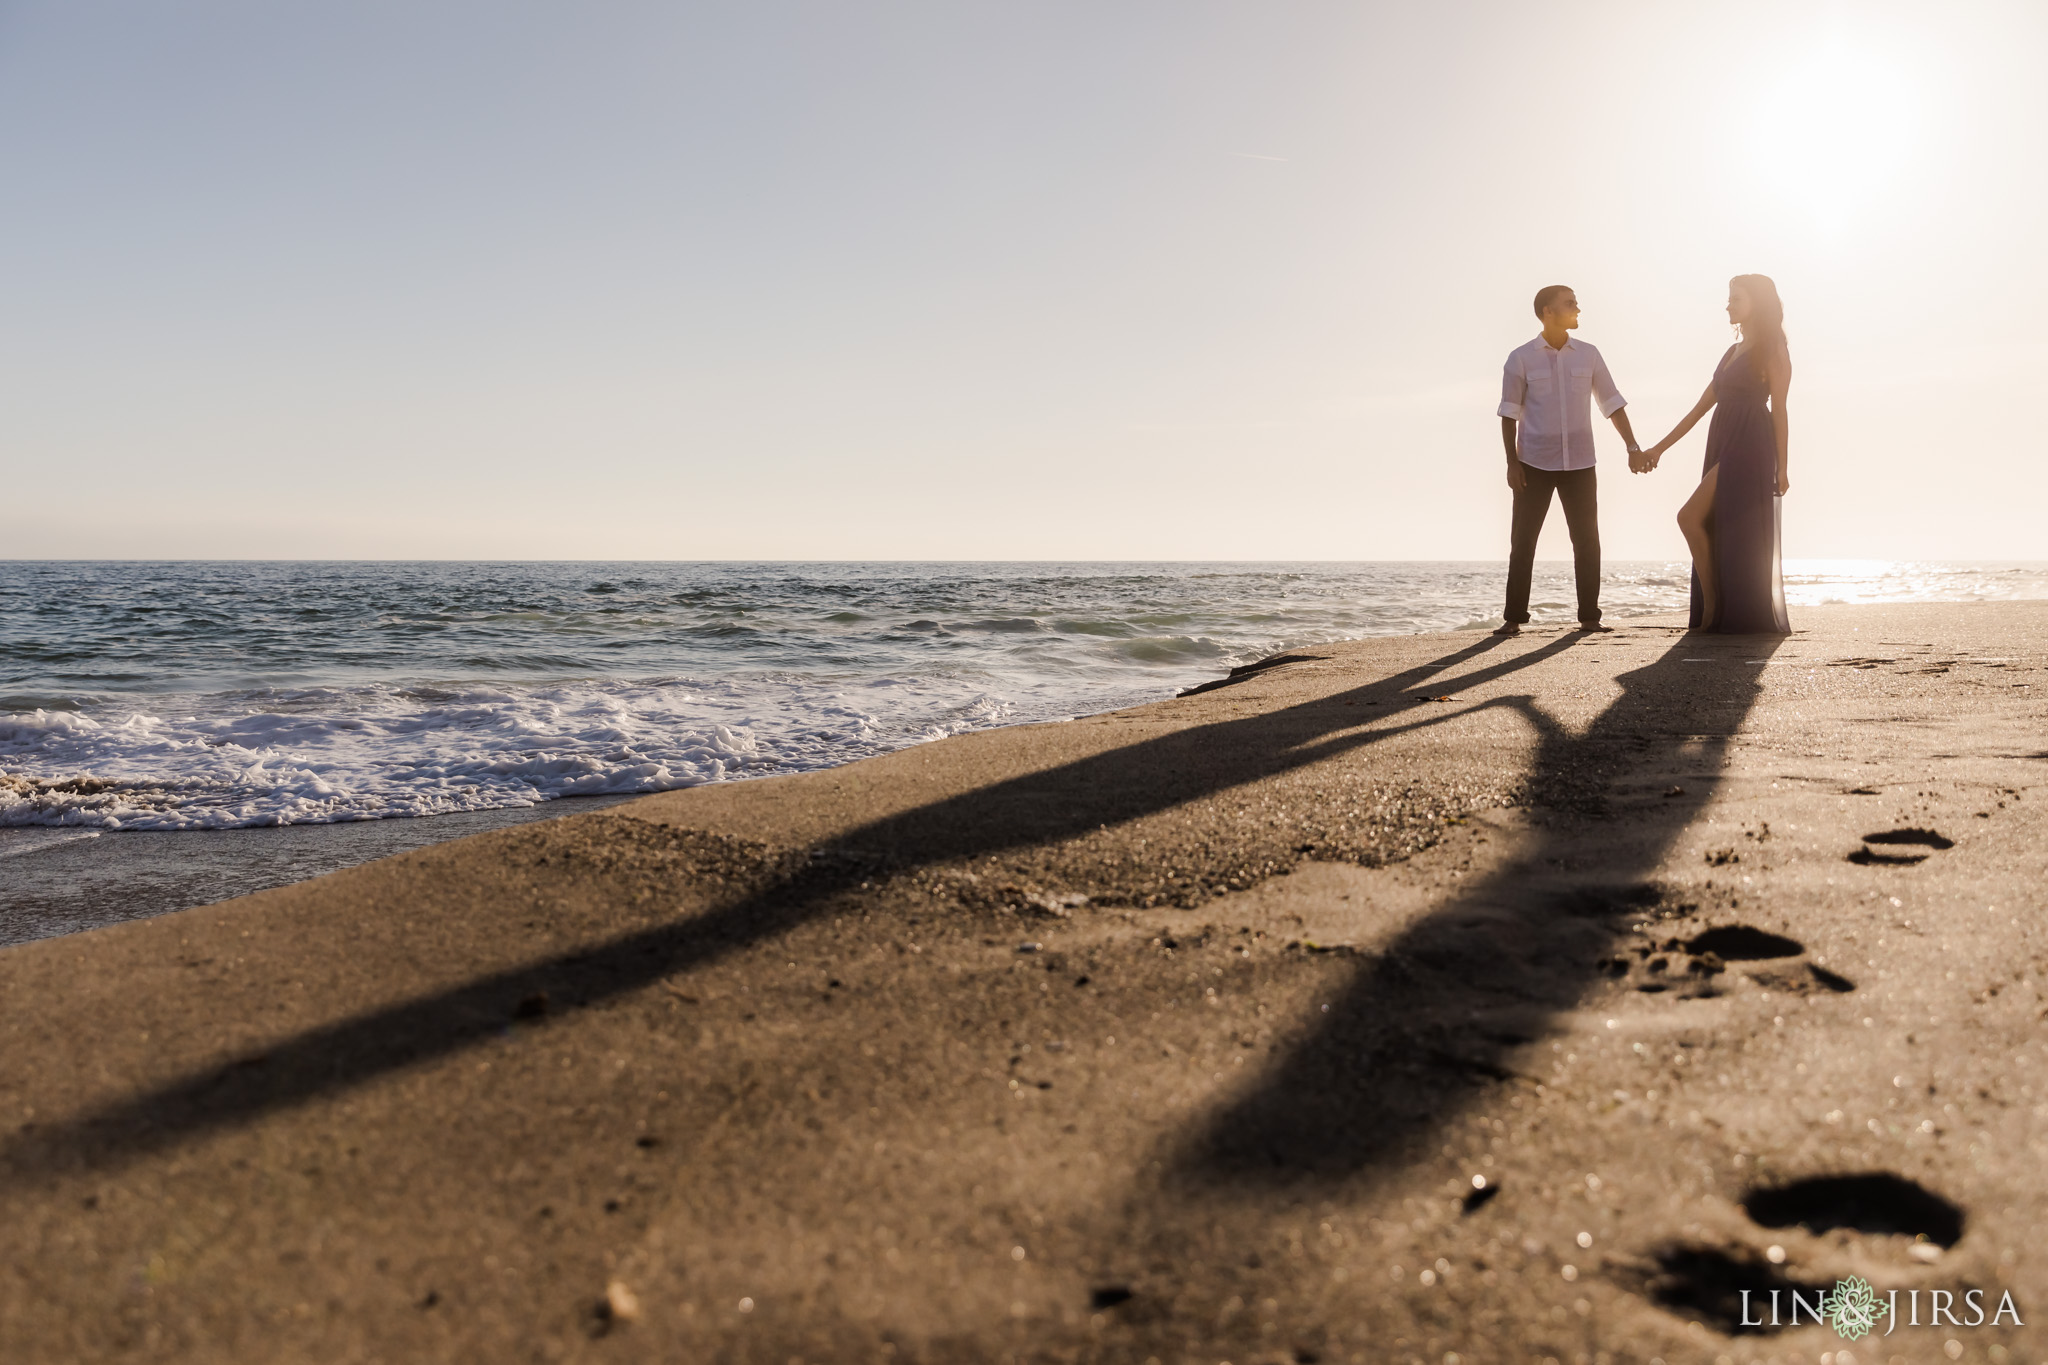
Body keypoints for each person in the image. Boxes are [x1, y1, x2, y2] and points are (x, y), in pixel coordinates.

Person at [1637, 275, 1793, 633]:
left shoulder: (1773, 350)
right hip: (1723, 439)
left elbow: (1781, 410)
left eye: (1736, 298)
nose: (1728, 305)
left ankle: (1713, 608)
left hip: (1751, 443)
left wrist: (1783, 468)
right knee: (1709, 523)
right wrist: (1658, 449)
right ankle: (1716, 608)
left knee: (1688, 517)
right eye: (1729, 298)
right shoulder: (1731, 353)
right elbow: (1698, 409)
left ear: (1758, 302)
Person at [1494, 285, 1644, 636]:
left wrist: (1632, 446)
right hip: (1533, 462)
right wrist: (1511, 463)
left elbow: (1612, 402)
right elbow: (1508, 414)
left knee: (1587, 539)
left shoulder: (1588, 354)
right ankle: (1513, 618)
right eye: (1570, 303)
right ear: (1548, 311)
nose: (1577, 308)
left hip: (1580, 462)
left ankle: (1590, 617)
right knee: (1524, 540)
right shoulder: (1520, 358)